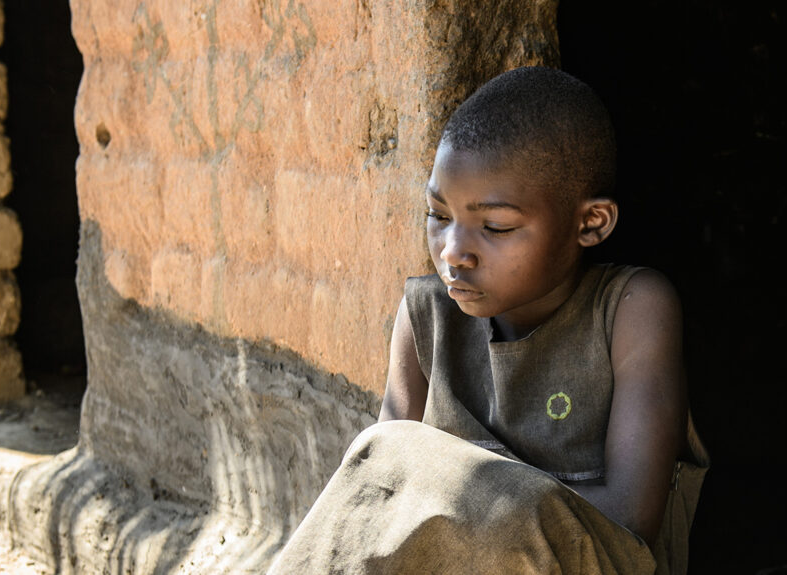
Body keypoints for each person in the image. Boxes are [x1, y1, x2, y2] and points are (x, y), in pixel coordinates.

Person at [269, 66, 708, 574]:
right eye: (439, 216)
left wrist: (459, 494)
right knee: (382, 451)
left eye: (495, 227)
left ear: (591, 223)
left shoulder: (630, 308)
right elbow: (381, 499)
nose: (452, 252)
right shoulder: (427, 315)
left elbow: (629, 522)